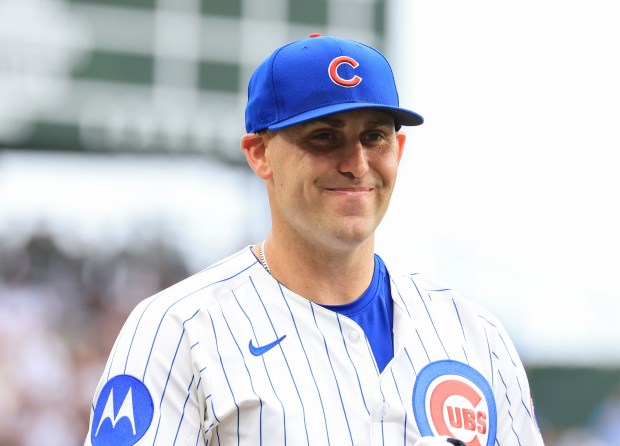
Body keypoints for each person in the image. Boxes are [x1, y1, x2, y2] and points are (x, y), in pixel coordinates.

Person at [85, 34, 545, 446]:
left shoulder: (474, 336)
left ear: (398, 152)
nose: (357, 163)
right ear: (261, 154)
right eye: (325, 137)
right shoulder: (178, 328)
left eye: (375, 137)